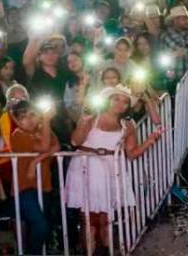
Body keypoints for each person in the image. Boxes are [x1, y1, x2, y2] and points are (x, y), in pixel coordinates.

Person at [67, 84, 163, 255]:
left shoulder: (128, 125)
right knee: (88, 218)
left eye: (125, 101)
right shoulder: (92, 117)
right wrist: (84, 121)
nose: (120, 104)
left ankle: (105, 250)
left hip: (110, 170)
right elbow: (75, 141)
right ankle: (88, 251)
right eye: (116, 99)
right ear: (107, 100)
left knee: (106, 218)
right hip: (86, 167)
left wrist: (150, 140)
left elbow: (131, 154)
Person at [8, 98, 60, 255]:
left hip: (43, 186)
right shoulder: (18, 134)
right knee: (40, 224)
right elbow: (45, 146)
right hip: (25, 187)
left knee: (41, 225)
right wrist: (46, 121)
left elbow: (56, 146)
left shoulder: (43, 129)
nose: (29, 120)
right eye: (23, 117)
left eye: (33, 114)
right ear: (17, 120)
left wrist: (35, 161)